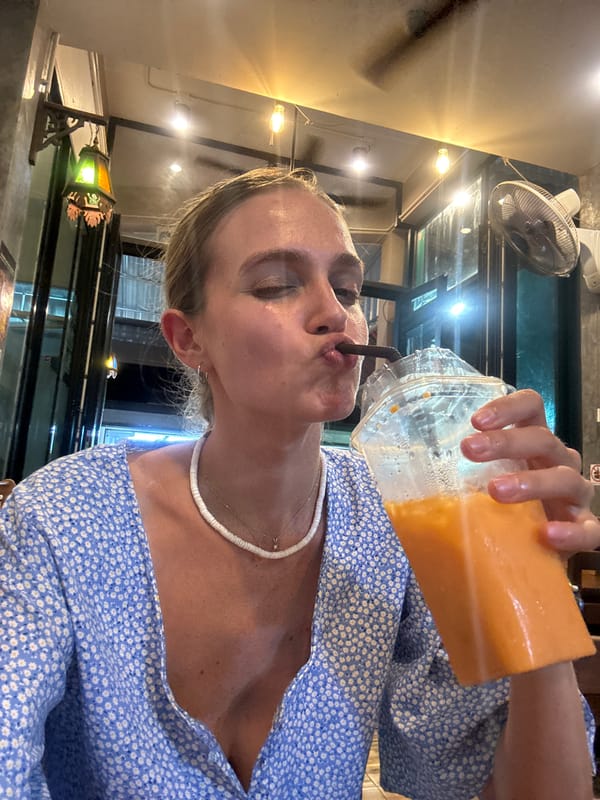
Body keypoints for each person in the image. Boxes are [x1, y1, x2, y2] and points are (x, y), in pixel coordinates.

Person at [1, 167, 598, 800]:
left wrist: (533, 584)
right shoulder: (62, 516)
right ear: (189, 339)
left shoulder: (393, 516)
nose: (334, 313)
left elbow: (513, 788)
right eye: (276, 285)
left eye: (347, 288)